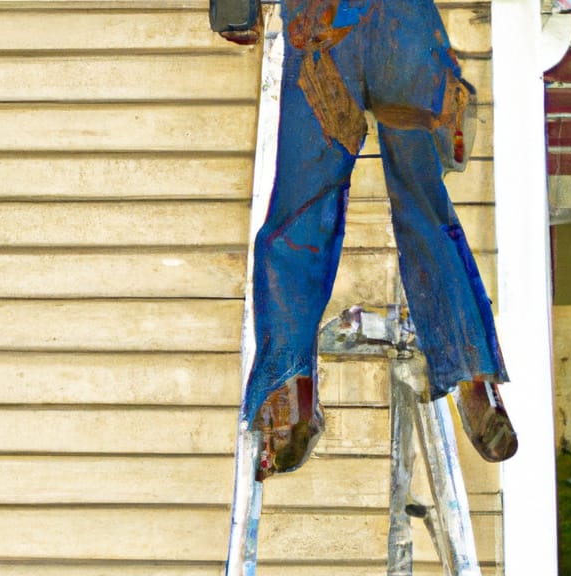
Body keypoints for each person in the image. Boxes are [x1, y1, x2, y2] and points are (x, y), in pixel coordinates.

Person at [213, 0, 517, 480]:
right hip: (367, 30)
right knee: (389, 205)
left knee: (321, 208)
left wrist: (236, 13)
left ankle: (297, 387)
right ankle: (466, 374)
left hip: (350, 28)